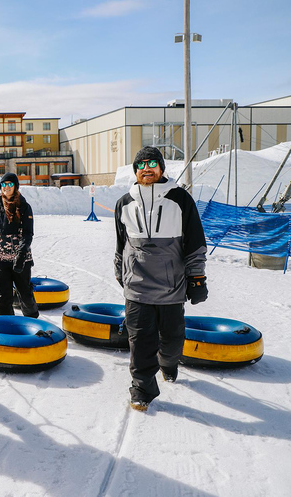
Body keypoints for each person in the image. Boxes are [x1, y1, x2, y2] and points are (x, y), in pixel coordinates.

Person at [114, 146, 208, 412]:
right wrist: (120, 270)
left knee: (172, 341)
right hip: (137, 289)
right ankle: (142, 387)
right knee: (140, 340)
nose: (147, 168)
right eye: (141, 164)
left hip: (171, 287)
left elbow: (195, 244)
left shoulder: (180, 200)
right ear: (135, 171)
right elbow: (121, 244)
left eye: (152, 163)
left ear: (162, 168)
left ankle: (168, 363)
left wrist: (197, 278)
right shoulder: (124, 202)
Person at [0, 172, 39, 318]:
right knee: (1, 296)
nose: (6, 187)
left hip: (20, 258)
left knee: (25, 294)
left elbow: (28, 233)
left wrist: (21, 255)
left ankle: (33, 324)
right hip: (0, 257)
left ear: (16, 186)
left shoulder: (24, 206)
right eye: (3, 184)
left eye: (10, 184)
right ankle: (6, 326)